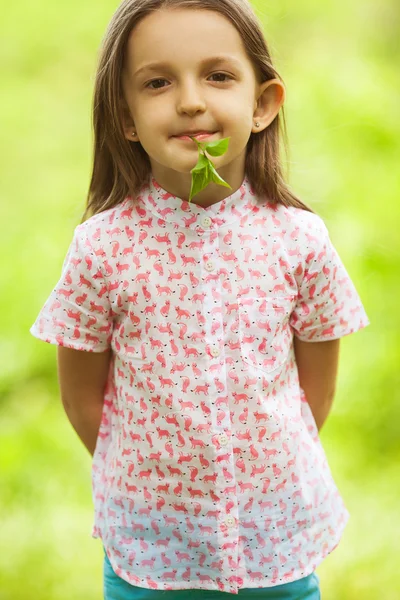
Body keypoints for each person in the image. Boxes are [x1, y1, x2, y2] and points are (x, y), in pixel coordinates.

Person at [30, 0, 370, 598]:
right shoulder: (102, 249)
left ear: (262, 103)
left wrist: (254, 472)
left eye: (218, 76)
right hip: (150, 549)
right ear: (126, 117)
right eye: (157, 82)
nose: (190, 101)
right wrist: (156, 484)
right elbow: (85, 400)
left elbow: (313, 393)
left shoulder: (299, 240)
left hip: (276, 541)